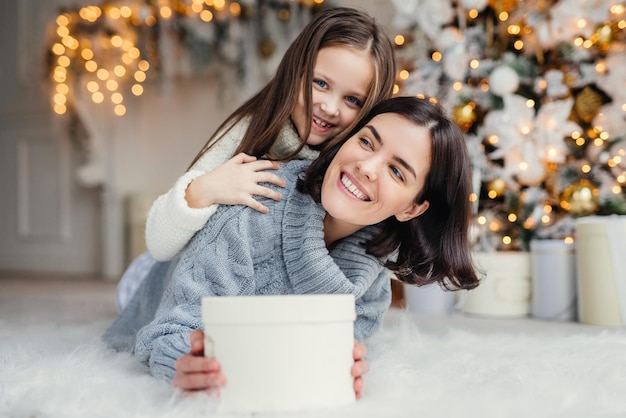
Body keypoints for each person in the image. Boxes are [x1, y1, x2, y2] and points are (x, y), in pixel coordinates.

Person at [133, 96, 480, 397]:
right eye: (367, 142)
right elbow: (168, 330)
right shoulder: (252, 209)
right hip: (157, 277)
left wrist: (347, 364)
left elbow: (347, 346)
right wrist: (182, 362)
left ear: (411, 208)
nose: (367, 166)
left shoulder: (370, 269)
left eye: (397, 172)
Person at [115, 5, 396, 314]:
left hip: (260, 295)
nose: (330, 107)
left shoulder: (356, 165)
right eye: (320, 83)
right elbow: (159, 243)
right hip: (177, 273)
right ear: (296, 70)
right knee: (141, 289)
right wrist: (205, 188)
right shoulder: (250, 130)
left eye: (352, 100)